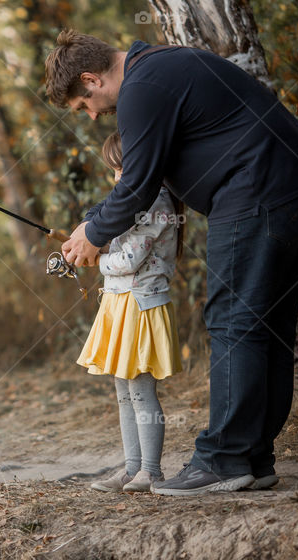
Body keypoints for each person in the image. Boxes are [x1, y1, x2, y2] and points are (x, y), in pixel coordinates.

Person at [44, 29, 298, 496]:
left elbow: (137, 187)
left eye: (85, 105)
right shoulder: (161, 65)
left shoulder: (141, 87)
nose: (93, 114)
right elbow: (140, 180)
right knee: (267, 324)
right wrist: (92, 225)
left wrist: (92, 236)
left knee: (232, 321)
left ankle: (224, 460)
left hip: (260, 189)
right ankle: (253, 458)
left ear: (90, 79)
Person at [79, 133, 184, 493]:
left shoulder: (156, 202)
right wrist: (88, 234)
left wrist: (97, 258)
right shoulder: (133, 199)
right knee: (123, 390)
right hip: (119, 303)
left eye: (122, 168)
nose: (117, 177)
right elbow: (105, 222)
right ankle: (132, 468)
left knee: (141, 391)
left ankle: (151, 471)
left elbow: (129, 259)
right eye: (114, 169)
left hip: (141, 305)